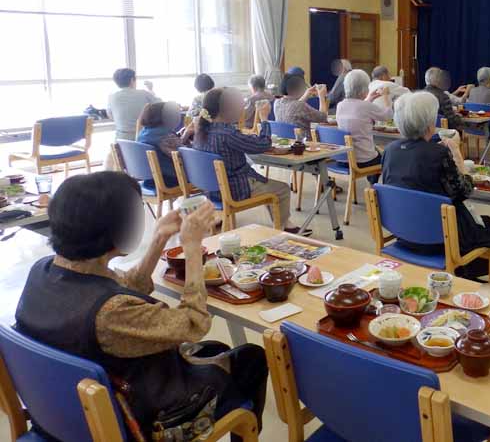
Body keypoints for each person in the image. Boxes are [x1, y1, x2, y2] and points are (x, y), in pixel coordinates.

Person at [14, 172, 267, 437]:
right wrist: (193, 249)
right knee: (250, 358)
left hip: (65, 406)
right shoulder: (111, 313)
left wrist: (159, 239)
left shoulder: (43, 271)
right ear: (111, 231)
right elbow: (194, 322)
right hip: (143, 419)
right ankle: (243, 428)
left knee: (216, 349)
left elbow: (123, 288)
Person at [381, 92, 490, 290]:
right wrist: (458, 157)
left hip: (403, 233)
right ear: (429, 123)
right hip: (439, 239)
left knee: (462, 221)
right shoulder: (439, 153)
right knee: (485, 225)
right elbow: (464, 191)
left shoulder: (390, 150)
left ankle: (463, 275)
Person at [193, 88, 300, 233]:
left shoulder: (201, 131)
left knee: (268, 184)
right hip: (235, 189)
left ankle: (283, 222)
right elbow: (263, 144)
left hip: (211, 191)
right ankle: (283, 227)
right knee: (282, 189)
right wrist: (264, 118)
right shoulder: (227, 134)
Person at [335, 70, 392, 183]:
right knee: (387, 157)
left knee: (376, 151)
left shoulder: (340, 105)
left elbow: (357, 109)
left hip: (342, 159)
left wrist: (369, 98)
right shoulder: (366, 106)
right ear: (364, 89)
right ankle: (374, 186)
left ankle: (372, 184)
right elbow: (388, 115)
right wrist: (386, 96)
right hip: (363, 160)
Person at [137, 101, 185, 187]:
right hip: (170, 178)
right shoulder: (165, 136)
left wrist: (185, 135)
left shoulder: (144, 132)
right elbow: (185, 156)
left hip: (151, 178)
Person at [107, 68, 159, 142]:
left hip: (121, 141)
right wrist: (150, 89)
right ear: (132, 80)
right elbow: (162, 107)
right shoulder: (144, 93)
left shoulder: (111, 96)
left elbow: (110, 116)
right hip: (143, 138)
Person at [424, 67, 464, 131]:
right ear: (439, 80)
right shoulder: (443, 97)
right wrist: (460, 117)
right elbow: (451, 121)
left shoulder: (419, 95)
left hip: (424, 132)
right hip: (441, 133)